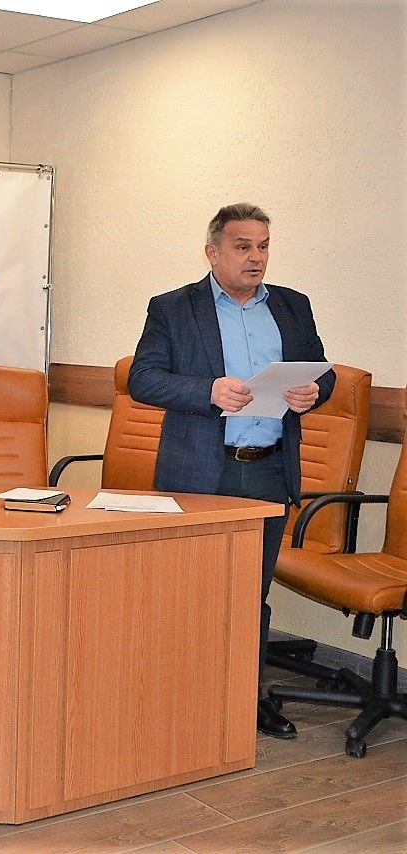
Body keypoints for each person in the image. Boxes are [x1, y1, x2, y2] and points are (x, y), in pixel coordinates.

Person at [129, 203, 334, 740]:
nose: (256, 257)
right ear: (213, 252)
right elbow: (143, 379)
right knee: (188, 591)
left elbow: (323, 372)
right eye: (243, 247)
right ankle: (178, 696)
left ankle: (246, 697)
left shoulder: (292, 306)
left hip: (268, 470)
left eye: (263, 246)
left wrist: (314, 392)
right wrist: (208, 391)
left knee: (250, 593)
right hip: (200, 471)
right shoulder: (173, 308)